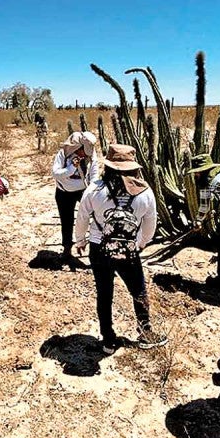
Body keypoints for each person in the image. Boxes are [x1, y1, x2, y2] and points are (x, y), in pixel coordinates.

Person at [74, 143, 167, 354]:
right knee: (138, 290)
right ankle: (145, 333)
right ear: (134, 167)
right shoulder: (145, 193)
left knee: (104, 293)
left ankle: (108, 339)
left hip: (99, 248)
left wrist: (80, 241)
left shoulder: (95, 188)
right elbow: (150, 227)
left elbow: (82, 218)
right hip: (129, 250)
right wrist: (139, 244)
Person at [52, 131, 99, 270]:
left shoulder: (91, 155)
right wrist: (71, 168)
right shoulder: (63, 154)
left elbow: (94, 174)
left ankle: (96, 250)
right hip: (64, 192)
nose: (85, 154)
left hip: (84, 191)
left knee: (95, 217)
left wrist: (92, 192)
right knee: (66, 221)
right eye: (83, 151)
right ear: (77, 147)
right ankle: (67, 250)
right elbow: (56, 173)